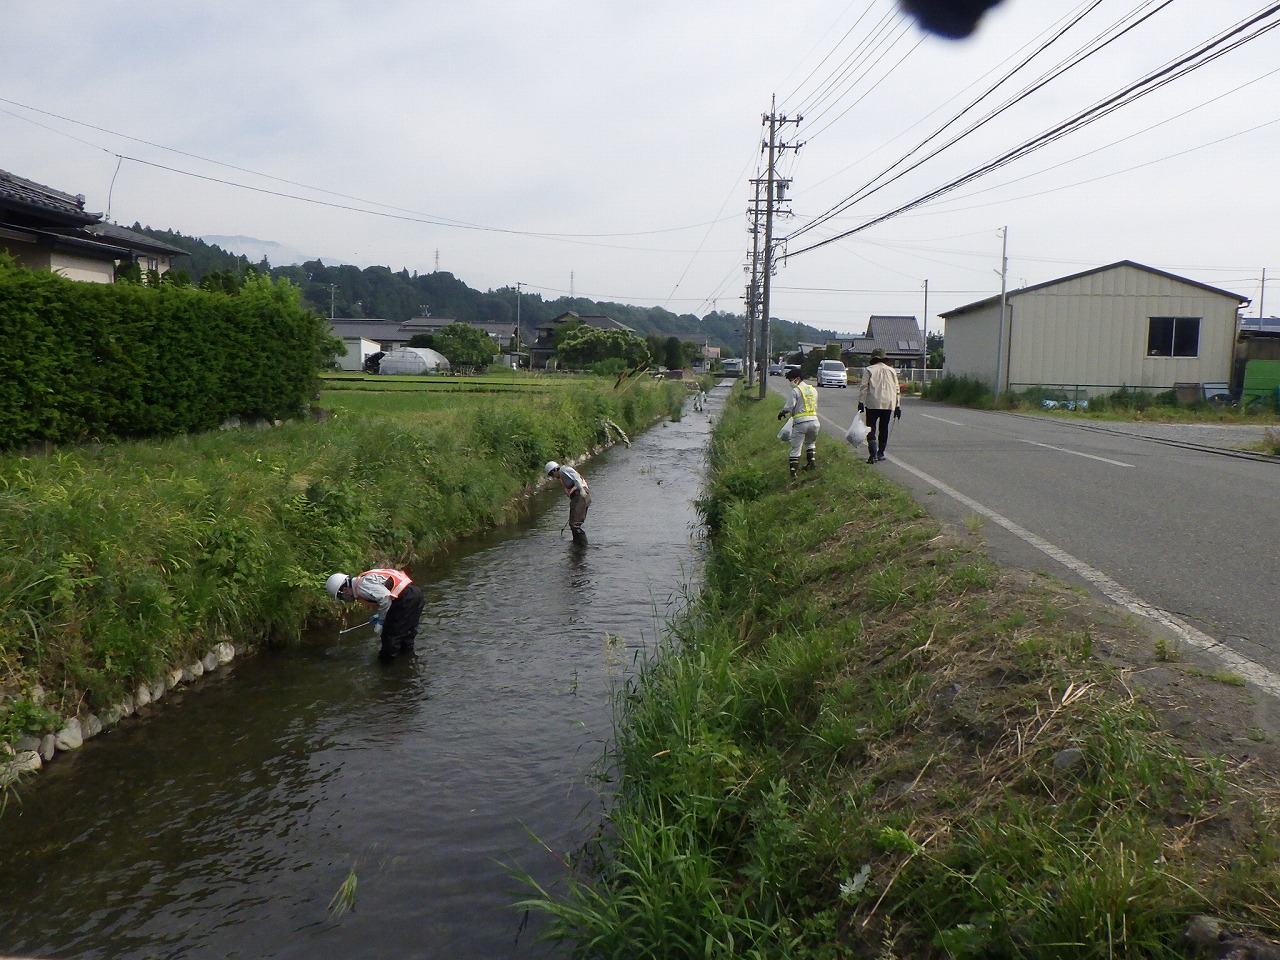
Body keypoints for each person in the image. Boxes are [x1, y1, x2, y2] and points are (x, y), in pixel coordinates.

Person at [326, 568, 424, 662]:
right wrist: (380, 615)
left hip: (405, 599)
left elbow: (385, 598)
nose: (345, 599)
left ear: (345, 590)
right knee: (407, 634)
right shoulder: (365, 578)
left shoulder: (361, 586)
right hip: (415, 593)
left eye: (342, 597)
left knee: (390, 637)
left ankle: (387, 667)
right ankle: (406, 662)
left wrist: (381, 621)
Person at [858, 349, 902, 464]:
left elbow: (864, 387)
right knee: (884, 428)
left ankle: (872, 454)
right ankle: (881, 453)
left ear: (873, 359)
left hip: (873, 403)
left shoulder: (869, 370)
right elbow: (897, 389)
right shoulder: (892, 371)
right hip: (888, 403)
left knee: (871, 428)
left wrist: (861, 402)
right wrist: (897, 406)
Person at [777, 366, 819, 478]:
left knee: (796, 448)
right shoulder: (812, 389)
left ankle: (793, 474)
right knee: (810, 443)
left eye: (791, 380)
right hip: (814, 421)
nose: (790, 382)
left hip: (801, 422)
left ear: (797, 379)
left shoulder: (795, 391)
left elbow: (789, 406)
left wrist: (782, 413)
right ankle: (811, 463)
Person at [545, 460, 591, 541]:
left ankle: (582, 546)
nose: (553, 477)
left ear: (554, 470)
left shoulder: (564, 470)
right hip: (579, 496)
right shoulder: (562, 476)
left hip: (580, 495)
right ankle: (577, 544)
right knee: (573, 523)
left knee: (574, 524)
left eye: (551, 474)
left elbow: (576, 478)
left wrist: (581, 490)